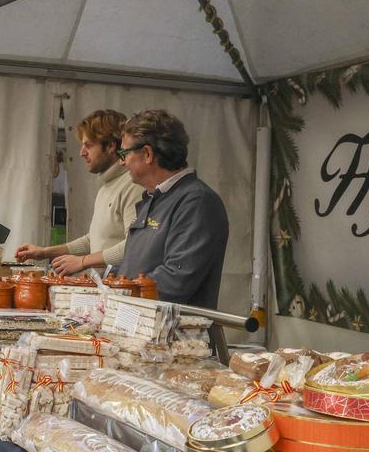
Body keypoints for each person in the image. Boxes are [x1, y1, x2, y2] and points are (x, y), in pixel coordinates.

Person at [118, 109, 229, 308]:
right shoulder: (155, 198)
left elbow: (176, 279)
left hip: (174, 335)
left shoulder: (197, 201)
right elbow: (134, 266)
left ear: (147, 154)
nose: (121, 162)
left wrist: (119, 298)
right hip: (142, 326)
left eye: (125, 153)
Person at [16, 110, 144, 275]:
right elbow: (94, 239)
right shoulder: (107, 186)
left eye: (88, 145)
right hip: (106, 290)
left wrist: (83, 261)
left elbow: (133, 245)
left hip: (120, 292)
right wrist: (44, 252)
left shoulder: (133, 185)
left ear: (111, 146)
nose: (81, 152)